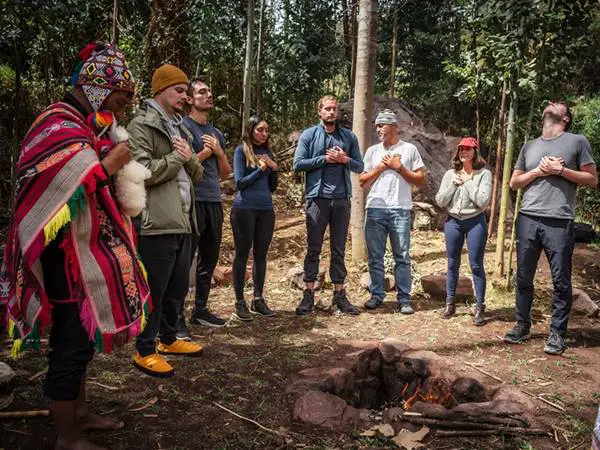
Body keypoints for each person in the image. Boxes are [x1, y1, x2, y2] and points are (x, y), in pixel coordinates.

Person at [0, 42, 151, 450]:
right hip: (62, 261)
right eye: (122, 93)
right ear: (101, 87)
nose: (125, 102)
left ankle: (80, 415)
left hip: (84, 259)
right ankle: (66, 436)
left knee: (82, 340)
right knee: (69, 345)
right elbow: (52, 189)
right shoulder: (56, 122)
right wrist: (108, 166)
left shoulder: (86, 124)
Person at [129, 64, 205, 378]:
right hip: (157, 222)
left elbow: (199, 174)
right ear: (160, 89)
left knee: (177, 288)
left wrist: (188, 156)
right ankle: (144, 350)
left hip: (185, 220)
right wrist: (178, 158)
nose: (185, 97)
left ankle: (168, 339)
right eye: (179, 90)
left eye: (187, 92)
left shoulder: (181, 128)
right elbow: (143, 172)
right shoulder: (141, 126)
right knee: (155, 290)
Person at [504, 101, 597, 355]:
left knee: (561, 280)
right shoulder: (529, 146)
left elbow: (591, 179)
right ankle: (522, 325)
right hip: (527, 217)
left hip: (559, 219)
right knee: (523, 276)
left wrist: (561, 169)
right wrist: (538, 171)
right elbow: (514, 182)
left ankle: (557, 334)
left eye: (558, 105)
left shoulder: (577, 142)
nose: (550, 104)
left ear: (565, 118)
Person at [293, 95, 364, 316]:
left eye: (335, 109)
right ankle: (308, 294)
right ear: (320, 112)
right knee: (313, 248)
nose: (331, 112)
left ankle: (339, 294)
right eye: (327, 109)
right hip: (317, 198)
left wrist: (344, 160)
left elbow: (360, 166)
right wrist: (324, 159)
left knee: (338, 249)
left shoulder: (349, 137)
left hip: (342, 199)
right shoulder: (309, 135)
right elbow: (298, 164)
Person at [177, 78, 231, 336]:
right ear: (189, 99)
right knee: (184, 259)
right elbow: (181, 166)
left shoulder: (216, 133)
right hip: (191, 200)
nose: (209, 95)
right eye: (202, 92)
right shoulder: (182, 128)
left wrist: (219, 153)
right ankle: (175, 316)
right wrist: (206, 154)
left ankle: (200, 309)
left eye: (209, 90)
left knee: (209, 258)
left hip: (214, 200)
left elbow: (226, 173)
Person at [359, 109, 425, 314]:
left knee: (402, 256)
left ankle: (404, 298)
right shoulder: (372, 152)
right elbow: (362, 181)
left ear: (394, 127)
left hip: (400, 208)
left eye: (382, 125)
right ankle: (377, 295)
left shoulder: (409, 149)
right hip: (375, 208)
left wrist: (399, 168)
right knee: (375, 256)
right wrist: (379, 168)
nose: (378, 129)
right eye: (377, 126)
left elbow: (421, 180)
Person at [435, 137, 491, 325]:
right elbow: (441, 201)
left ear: (475, 152)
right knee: (452, 263)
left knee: (475, 264)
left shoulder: (484, 174)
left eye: (468, 149)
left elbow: (483, 202)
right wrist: (454, 184)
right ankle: (450, 303)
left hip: (475, 221)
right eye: (461, 149)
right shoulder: (450, 174)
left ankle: (479, 307)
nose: (464, 152)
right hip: (453, 221)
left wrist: (468, 182)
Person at [230, 115, 278, 320]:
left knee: (261, 254)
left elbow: (273, 187)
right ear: (250, 131)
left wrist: (273, 168)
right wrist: (261, 169)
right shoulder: (241, 151)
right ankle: (240, 301)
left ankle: (258, 299)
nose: (264, 133)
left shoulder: (267, 153)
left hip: (266, 209)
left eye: (266, 130)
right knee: (242, 254)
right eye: (260, 130)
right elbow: (240, 183)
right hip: (244, 208)